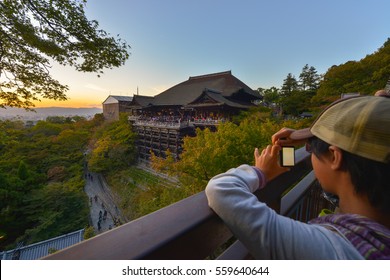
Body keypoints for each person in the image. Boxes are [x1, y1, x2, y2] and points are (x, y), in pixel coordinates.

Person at [205, 95, 390, 259]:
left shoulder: (327, 251)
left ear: (334, 157)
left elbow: (221, 189)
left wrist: (261, 172)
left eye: (311, 148)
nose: (308, 151)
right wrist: (311, 138)